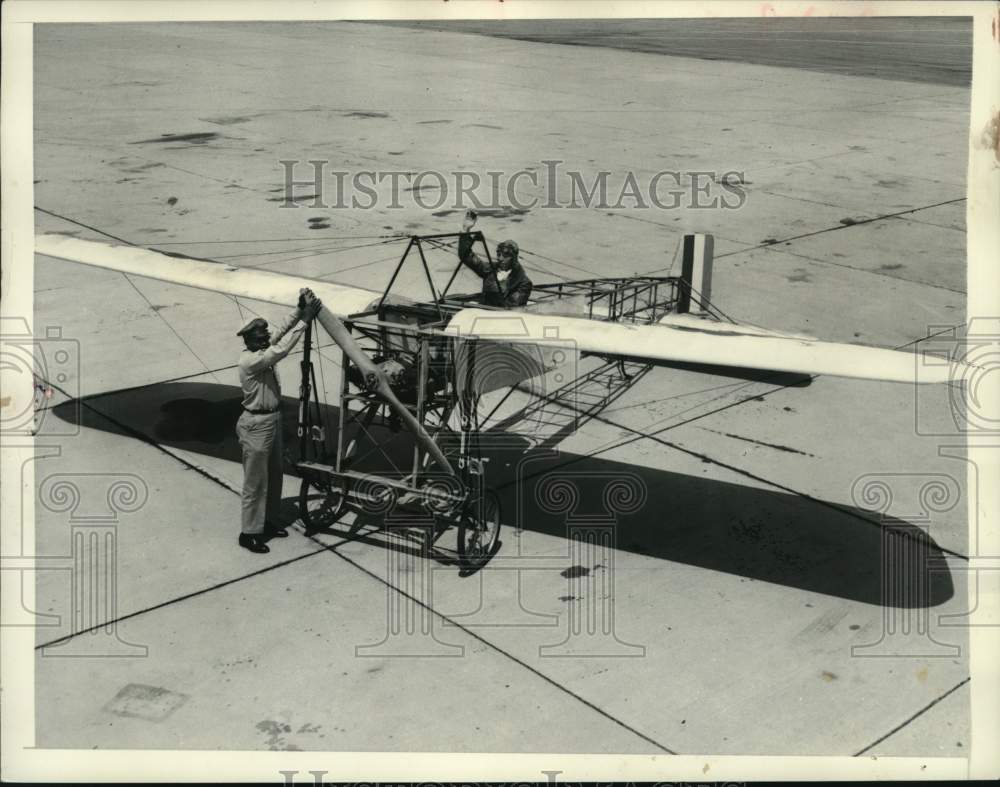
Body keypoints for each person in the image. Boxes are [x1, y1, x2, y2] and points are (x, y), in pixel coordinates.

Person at [235, 289, 322, 554]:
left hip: (272, 420)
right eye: (260, 337)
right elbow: (281, 349)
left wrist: (298, 311)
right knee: (255, 483)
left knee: (274, 476)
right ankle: (249, 532)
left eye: (265, 335)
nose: (265, 339)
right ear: (249, 340)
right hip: (256, 425)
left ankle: (269, 522)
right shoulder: (252, 360)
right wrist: (305, 321)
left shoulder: (260, 349)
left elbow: (280, 333)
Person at [458, 210, 532, 308]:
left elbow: (511, 307)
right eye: (498, 254)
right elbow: (467, 257)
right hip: (482, 311)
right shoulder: (490, 269)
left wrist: (478, 307)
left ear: (513, 258)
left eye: (505, 255)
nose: (500, 258)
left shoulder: (523, 283)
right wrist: (465, 229)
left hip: (499, 315)